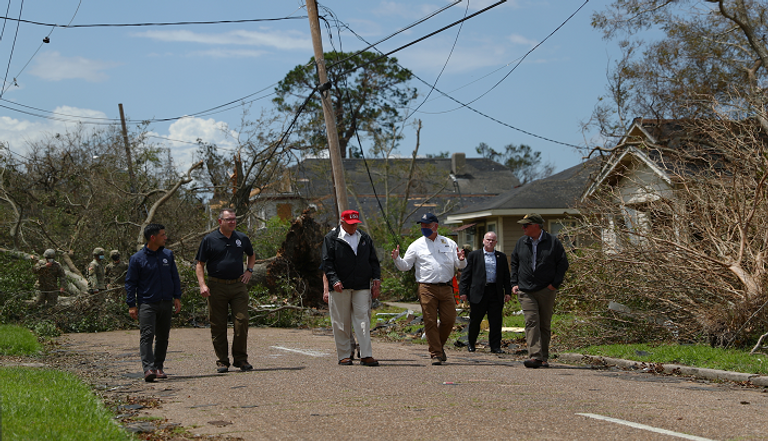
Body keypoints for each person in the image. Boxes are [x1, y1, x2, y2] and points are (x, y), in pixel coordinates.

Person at [391, 212, 466, 365]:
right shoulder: (416, 245)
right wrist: (397, 258)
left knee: (449, 319)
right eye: (422, 225)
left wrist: (461, 260)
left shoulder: (449, 243)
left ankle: (438, 346)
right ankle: (436, 354)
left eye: (426, 225)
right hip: (426, 288)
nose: (423, 228)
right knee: (430, 321)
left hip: (446, 287)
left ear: (435, 226)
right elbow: (405, 267)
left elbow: (460, 265)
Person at [195, 208, 256, 373]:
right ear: (220, 221)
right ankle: (222, 360)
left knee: (242, 321)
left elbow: (251, 255)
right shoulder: (209, 240)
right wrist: (202, 285)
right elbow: (199, 264)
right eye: (229, 219)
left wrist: (249, 271)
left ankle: (241, 359)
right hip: (216, 286)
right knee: (218, 324)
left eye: (234, 219)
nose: (232, 222)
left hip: (238, 285)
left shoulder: (241, 238)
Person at [322, 209, 381, 367]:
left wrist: (376, 279)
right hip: (340, 286)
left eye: (356, 223)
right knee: (341, 321)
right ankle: (344, 355)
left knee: (363, 320)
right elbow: (327, 263)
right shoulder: (331, 238)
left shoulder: (364, 238)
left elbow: (373, 260)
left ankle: (366, 354)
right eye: (350, 224)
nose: (354, 226)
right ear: (342, 223)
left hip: (361, 285)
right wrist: (333, 280)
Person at [509, 213, 569, 369]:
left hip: (546, 289)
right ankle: (535, 356)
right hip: (525, 290)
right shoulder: (521, 242)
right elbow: (514, 262)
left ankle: (543, 357)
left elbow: (562, 264)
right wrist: (514, 282)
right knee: (531, 321)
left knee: (544, 324)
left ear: (536, 226)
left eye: (526, 225)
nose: (523, 228)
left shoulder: (553, 242)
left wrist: (554, 284)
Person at [125, 224, 182, 382]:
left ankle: (158, 367)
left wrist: (177, 297)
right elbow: (130, 283)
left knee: (163, 336)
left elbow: (174, 277)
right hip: (147, 303)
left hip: (166, 302)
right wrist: (131, 304)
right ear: (153, 237)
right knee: (147, 335)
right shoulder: (137, 258)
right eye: (162, 235)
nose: (165, 238)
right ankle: (148, 368)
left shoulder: (168, 255)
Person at [459, 232, 511, 353]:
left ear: (496, 242)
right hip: (478, 292)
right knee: (475, 320)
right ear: (483, 241)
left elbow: (506, 276)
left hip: (495, 292)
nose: (490, 242)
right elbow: (466, 275)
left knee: (496, 321)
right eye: (488, 239)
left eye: (493, 240)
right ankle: (471, 344)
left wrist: (508, 291)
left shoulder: (501, 257)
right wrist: (463, 291)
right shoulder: (474, 255)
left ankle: (495, 346)